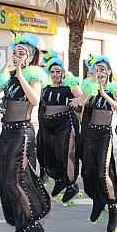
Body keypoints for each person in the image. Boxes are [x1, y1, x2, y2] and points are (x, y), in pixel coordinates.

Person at [0, 33, 52, 232]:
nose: (16, 55)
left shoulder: (34, 75)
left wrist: (21, 74)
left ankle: (32, 224)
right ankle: (21, 225)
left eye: (21, 52)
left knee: (15, 180)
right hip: (6, 131)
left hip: (22, 132)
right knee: (5, 182)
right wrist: (4, 71)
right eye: (15, 51)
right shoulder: (7, 76)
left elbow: (35, 100)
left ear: (30, 56)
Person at [74, 55, 117, 232]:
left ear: (110, 72)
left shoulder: (115, 88)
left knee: (103, 173)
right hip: (91, 134)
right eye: (98, 69)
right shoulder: (91, 87)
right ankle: (98, 200)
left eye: (103, 69)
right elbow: (81, 101)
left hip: (104, 135)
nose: (100, 71)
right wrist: (94, 84)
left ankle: (113, 207)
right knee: (88, 172)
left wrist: (104, 94)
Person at [38, 51, 82, 206]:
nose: (55, 74)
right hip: (49, 125)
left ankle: (71, 184)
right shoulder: (45, 87)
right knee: (53, 154)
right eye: (52, 71)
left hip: (65, 123)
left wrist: (78, 99)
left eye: (58, 71)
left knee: (64, 153)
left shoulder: (70, 85)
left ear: (63, 73)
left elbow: (84, 98)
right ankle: (60, 180)